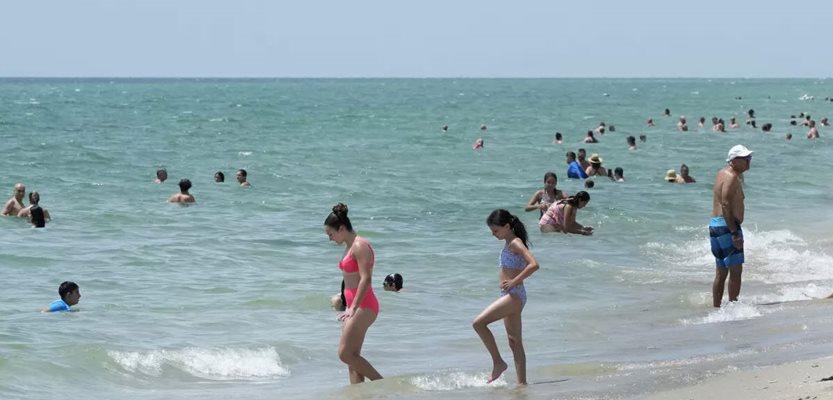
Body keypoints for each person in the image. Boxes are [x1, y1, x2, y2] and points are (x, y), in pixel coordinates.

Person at [473, 209, 539, 385]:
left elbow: (534, 265)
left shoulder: (515, 243)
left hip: (514, 295)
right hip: (510, 295)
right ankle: (522, 384)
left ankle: (498, 362)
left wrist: (513, 282)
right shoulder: (509, 242)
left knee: (478, 323)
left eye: (495, 230)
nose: (493, 234)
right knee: (514, 341)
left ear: (507, 226)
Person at [324, 203, 382, 384]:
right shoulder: (349, 246)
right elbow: (350, 280)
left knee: (345, 354)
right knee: (352, 359)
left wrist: (353, 307)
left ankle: (381, 384)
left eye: (331, 234)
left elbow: (366, 279)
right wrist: (346, 302)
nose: (330, 239)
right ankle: (358, 395)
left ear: (341, 228)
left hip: (364, 305)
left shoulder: (360, 246)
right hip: (352, 306)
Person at [710, 145, 753, 308]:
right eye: (745, 159)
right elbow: (726, 203)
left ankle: (716, 309)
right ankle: (733, 309)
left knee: (721, 272)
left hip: (715, 225)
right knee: (735, 272)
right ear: (734, 161)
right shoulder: (731, 176)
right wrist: (734, 232)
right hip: (727, 226)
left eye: (749, 158)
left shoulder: (721, 173)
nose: (749, 162)